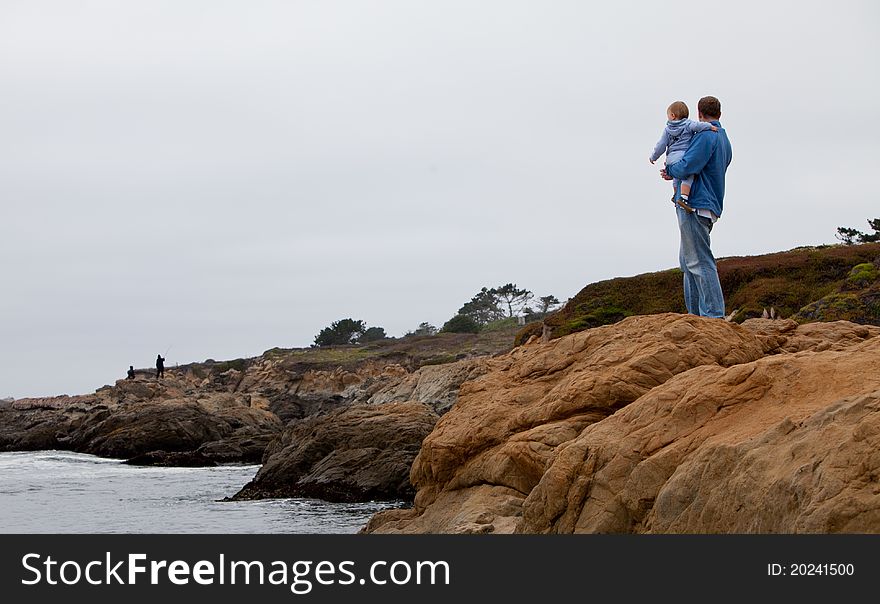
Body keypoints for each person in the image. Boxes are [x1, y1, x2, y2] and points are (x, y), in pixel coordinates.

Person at [660, 95, 732, 319]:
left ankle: (713, 315)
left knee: (699, 261)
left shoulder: (706, 135)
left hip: (695, 204)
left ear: (699, 114)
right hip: (709, 203)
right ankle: (695, 314)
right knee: (687, 261)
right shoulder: (724, 138)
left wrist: (670, 170)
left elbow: (689, 164)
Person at [650, 100, 717, 211]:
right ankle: (684, 197)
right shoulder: (688, 124)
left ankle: (676, 194)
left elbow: (661, 145)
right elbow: (699, 126)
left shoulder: (667, 130)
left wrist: (653, 157)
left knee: (677, 177)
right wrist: (710, 127)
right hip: (682, 155)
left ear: (672, 115)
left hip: (670, 158)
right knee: (688, 174)